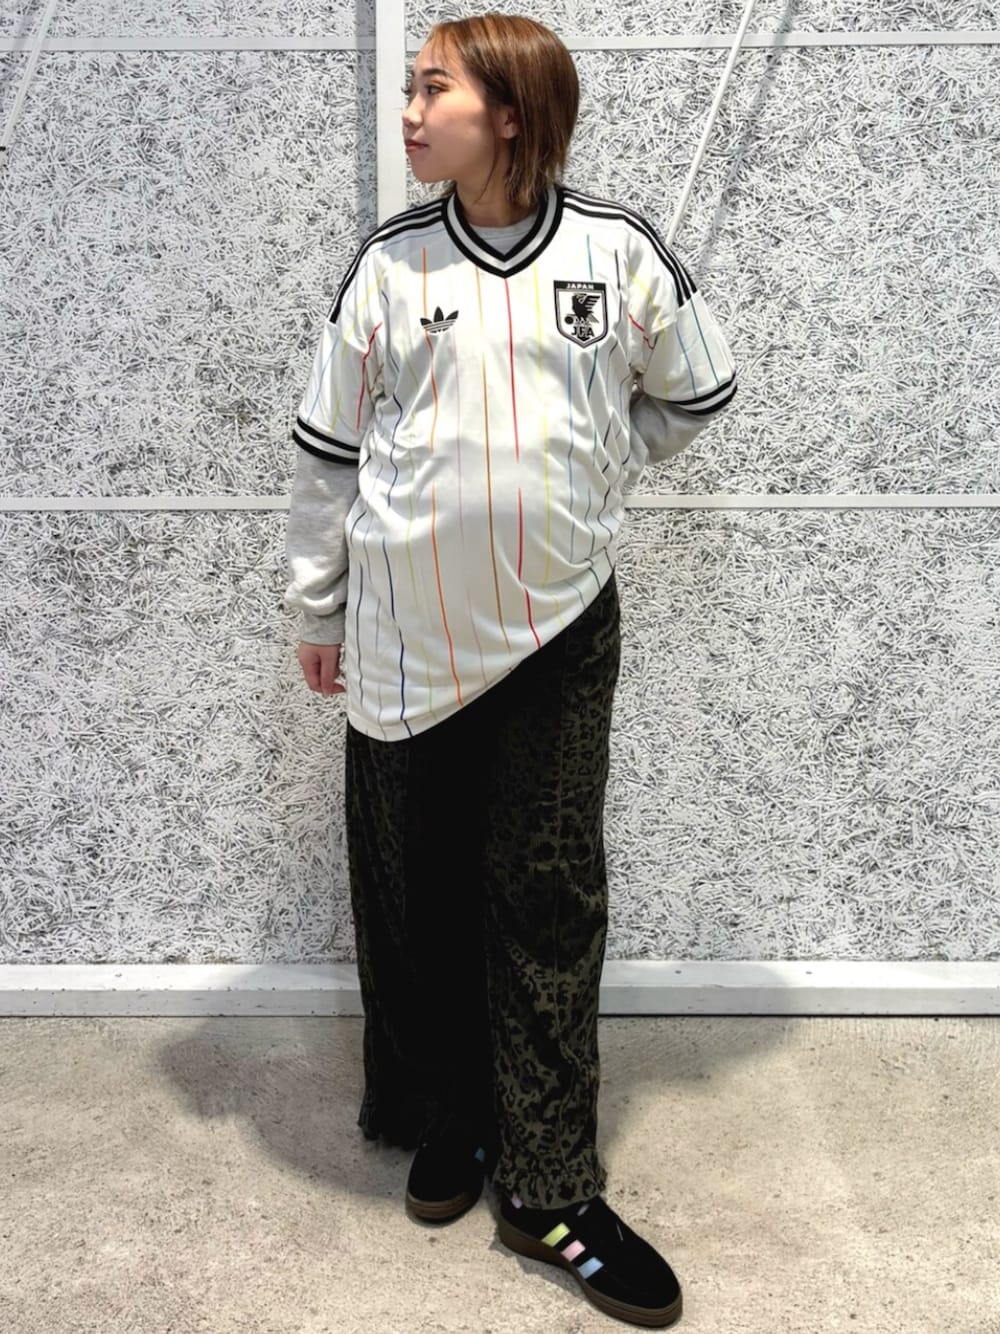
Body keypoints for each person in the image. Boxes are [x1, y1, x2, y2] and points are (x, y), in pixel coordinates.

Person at [284, 13, 737, 1327]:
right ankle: (448, 1116)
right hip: (403, 637)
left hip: (557, 633)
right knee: (417, 889)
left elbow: (695, 393)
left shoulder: (617, 253)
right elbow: (327, 452)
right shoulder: (389, 265)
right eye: (409, 88)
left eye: (435, 89)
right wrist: (317, 604)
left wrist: (597, 468)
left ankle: (548, 1185)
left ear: (515, 113)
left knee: (547, 899)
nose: (410, 112)